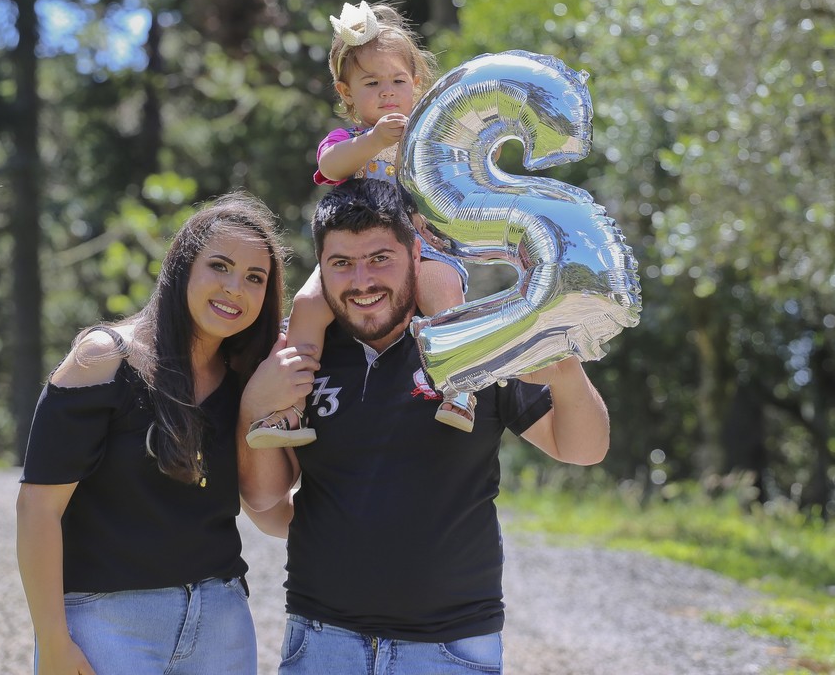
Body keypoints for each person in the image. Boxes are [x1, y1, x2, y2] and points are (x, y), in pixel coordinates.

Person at [237, 178, 611, 675]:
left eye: (380, 259)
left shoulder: (476, 343)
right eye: (341, 263)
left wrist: (564, 371)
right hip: (323, 641)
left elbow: (583, 448)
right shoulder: (300, 357)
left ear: (417, 254)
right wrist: (254, 405)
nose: (362, 281)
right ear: (319, 269)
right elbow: (267, 501)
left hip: (449, 648)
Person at [17, 192, 288, 675]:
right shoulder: (104, 359)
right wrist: (53, 641)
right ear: (183, 267)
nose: (235, 289)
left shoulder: (247, 380)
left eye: (255, 278)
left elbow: (267, 506)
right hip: (107, 623)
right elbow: (37, 508)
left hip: (221, 624)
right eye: (220, 266)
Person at [245, 0, 473, 450]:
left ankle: (460, 387)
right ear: (346, 92)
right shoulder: (347, 141)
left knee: (444, 290)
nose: (387, 92)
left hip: (426, 248)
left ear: (417, 84)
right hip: (354, 258)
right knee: (308, 304)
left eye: (398, 81)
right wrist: (374, 140)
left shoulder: (432, 139)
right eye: (371, 83)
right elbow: (330, 166)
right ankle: (292, 406)